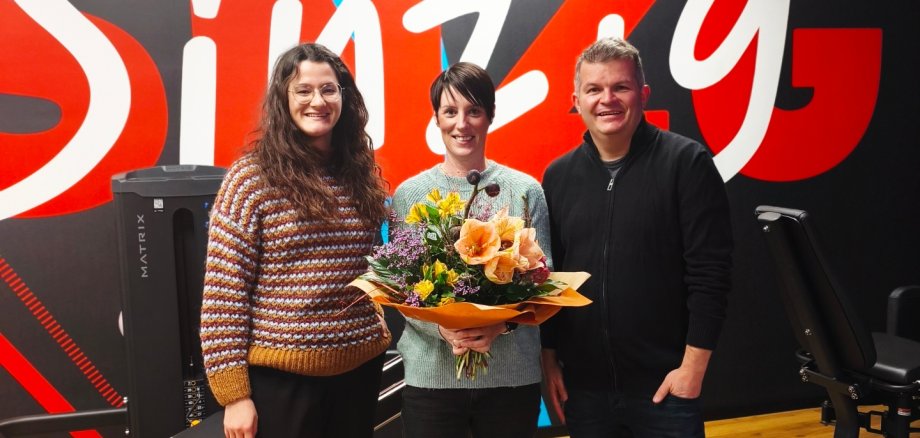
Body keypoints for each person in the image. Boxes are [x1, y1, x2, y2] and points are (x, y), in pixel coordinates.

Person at [540, 37, 733, 437]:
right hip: (585, 392)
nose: (606, 99)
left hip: (665, 390)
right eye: (594, 89)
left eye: (620, 87)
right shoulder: (557, 177)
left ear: (642, 94)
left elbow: (711, 273)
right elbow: (549, 279)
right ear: (576, 99)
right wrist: (549, 361)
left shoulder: (686, 163)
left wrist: (692, 371)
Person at [199, 43, 391, 438]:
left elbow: (372, 270)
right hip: (281, 381)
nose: (317, 101)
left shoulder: (361, 174)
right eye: (303, 90)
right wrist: (234, 396)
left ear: (344, 97)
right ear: (283, 100)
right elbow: (224, 294)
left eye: (329, 89)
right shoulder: (251, 179)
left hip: (359, 371)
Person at [390, 62, 552, 438]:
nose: (461, 124)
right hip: (432, 382)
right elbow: (401, 290)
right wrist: (444, 331)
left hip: (510, 382)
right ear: (436, 119)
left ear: (489, 117)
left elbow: (544, 282)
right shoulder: (410, 195)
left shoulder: (524, 190)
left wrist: (502, 324)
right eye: (450, 111)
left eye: (473, 111)